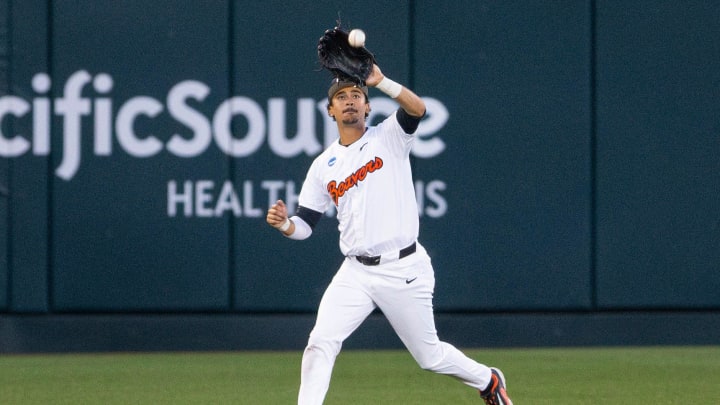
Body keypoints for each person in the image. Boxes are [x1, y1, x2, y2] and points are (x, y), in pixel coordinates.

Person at [266, 63, 514, 405]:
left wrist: (381, 81)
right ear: (330, 110)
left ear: (368, 106)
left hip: (403, 268)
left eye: (356, 95)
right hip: (355, 271)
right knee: (320, 342)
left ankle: (488, 380)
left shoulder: (388, 136)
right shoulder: (324, 165)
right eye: (341, 96)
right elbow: (305, 224)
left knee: (430, 358)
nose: (350, 101)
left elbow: (418, 109)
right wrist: (284, 225)